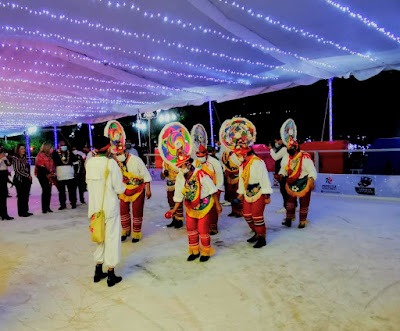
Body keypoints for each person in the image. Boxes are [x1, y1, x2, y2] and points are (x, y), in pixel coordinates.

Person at [86, 135, 127, 287]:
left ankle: (98, 269)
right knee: (111, 238)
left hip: (94, 208)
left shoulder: (89, 163)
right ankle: (110, 272)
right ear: (108, 147)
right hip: (109, 207)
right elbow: (119, 187)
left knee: (99, 236)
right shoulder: (111, 164)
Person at [168, 150, 222, 262]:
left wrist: (217, 205)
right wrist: (174, 210)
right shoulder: (180, 177)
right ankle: (194, 250)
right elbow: (179, 194)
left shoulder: (200, 174)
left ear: (188, 164)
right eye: (179, 166)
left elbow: (213, 190)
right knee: (190, 228)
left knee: (203, 229)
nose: (180, 169)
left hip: (204, 205)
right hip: (190, 206)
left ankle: (206, 252)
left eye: (181, 166)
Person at [235, 144, 273, 248]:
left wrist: (266, 194)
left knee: (257, 215)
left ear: (245, 153)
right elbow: (242, 180)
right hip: (248, 192)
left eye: (239, 155)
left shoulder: (258, 162)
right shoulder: (243, 164)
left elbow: (264, 178)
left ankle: (262, 237)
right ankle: (256, 232)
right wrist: (241, 192)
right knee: (247, 215)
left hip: (258, 191)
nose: (237, 157)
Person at [113, 147, 152, 242]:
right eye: (116, 154)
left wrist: (148, 190)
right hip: (124, 189)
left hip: (138, 190)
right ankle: (125, 230)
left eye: (120, 153)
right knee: (123, 211)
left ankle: (136, 233)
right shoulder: (116, 162)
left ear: (125, 151)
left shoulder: (136, 160)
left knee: (137, 211)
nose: (118, 156)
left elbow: (145, 175)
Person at [279, 137, 317, 228]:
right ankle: (289, 219)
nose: (289, 149)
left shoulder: (305, 156)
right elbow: (284, 168)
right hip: (291, 181)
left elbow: (312, 170)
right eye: (288, 148)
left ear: (296, 147)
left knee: (304, 202)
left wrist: (312, 179)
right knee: (290, 202)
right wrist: (281, 174)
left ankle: (302, 221)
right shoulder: (287, 157)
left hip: (303, 181)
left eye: (291, 147)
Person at [193, 144, 224, 235]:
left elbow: (219, 176)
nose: (200, 158)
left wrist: (218, 189)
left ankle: (213, 227)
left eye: (202, 156)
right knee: (201, 208)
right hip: (201, 190)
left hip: (213, 188)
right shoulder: (196, 163)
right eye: (198, 156)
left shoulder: (214, 162)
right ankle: (203, 226)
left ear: (206, 155)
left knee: (213, 209)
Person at [268, 137, 297, 213]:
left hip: (285, 172)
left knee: (284, 189)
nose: (276, 142)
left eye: (277, 140)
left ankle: (286, 206)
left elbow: (275, 157)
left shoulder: (284, 148)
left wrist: (271, 149)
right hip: (289, 171)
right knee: (290, 189)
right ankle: (295, 205)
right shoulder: (288, 148)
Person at [52, 140, 78, 210]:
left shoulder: (70, 153)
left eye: (64, 145)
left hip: (70, 174)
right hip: (60, 175)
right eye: (61, 145)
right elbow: (53, 163)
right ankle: (62, 204)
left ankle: (73, 203)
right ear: (59, 146)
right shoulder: (55, 153)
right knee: (61, 191)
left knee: (71, 190)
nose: (63, 146)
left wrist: (76, 172)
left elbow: (76, 162)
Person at [10, 144, 33, 217]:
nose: (23, 150)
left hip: (26, 179)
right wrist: (27, 175)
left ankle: (25, 210)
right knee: (21, 196)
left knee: (26, 195)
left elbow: (26, 168)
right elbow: (17, 170)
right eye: (21, 149)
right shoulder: (16, 159)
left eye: (24, 148)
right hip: (20, 179)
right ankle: (21, 212)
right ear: (18, 150)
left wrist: (28, 175)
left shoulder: (24, 158)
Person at [160, 160, 184, 228]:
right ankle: (174, 219)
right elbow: (162, 176)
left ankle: (179, 220)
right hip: (170, 184)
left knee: (178, 200)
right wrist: (164, 174)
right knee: (170, 201)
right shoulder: (165, 162)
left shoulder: (179, 160)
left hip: (178, 182)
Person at [34, 142, 56, 214]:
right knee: (45, 189)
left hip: (49, 175)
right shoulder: (40, 155)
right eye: (51, 147)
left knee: (49, 191)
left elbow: (52, 166)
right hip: (42, 175)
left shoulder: (50, 156)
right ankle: (44, 208)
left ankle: (47, 207)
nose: (52, 149)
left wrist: (52, 172)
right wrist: (48, 173)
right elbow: (40, 167)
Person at [220, 149, 243, 218]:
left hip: (238, 175)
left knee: (237, 193)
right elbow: (224, 161)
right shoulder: (226, 152)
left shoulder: (240, 153)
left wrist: (233, 155)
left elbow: (239, 163)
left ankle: (240, 211)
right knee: (231, 194)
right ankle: (234, 211)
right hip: (229, 175)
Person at [0, 147, 14, 220]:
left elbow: (10, 168)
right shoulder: (2, 159)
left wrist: (8, 162)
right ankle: (3, 214)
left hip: (4, 175)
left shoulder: (5, 158)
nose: (3, 154)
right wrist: (1, 159)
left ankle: (4, 214)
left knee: (4, 196)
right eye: (2, 152)